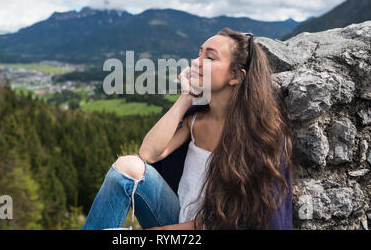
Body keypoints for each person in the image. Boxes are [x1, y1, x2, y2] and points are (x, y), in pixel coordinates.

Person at [81, 28, 294, 230]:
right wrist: (187, 97)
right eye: (198, 54)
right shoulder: (195, 119)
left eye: (210, 58)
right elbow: (148, 153)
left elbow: (230, 220)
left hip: (215, 226)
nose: (195, 62)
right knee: (126, 167)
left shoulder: (259, 138)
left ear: (236, 76)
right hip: (175, 216)